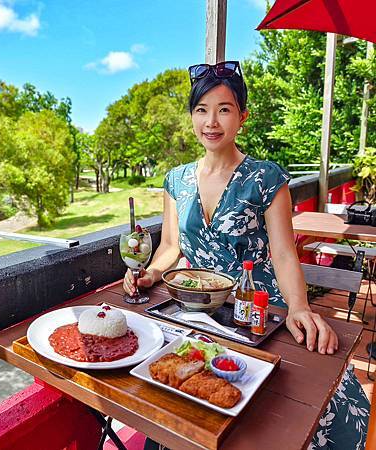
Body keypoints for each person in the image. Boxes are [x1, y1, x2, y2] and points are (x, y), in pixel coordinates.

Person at [124, 61, 370, 450]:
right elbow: (171, 247)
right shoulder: (176, 179)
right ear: (192, 116)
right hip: (196, 310)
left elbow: (285, 254)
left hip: (257, 306)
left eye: (224, 109)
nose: (211, 121)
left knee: (290, 412)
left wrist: (299, 307)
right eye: (202, 110)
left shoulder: (266, 177)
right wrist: (151, 274)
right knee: (184, 405)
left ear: (242, 116)